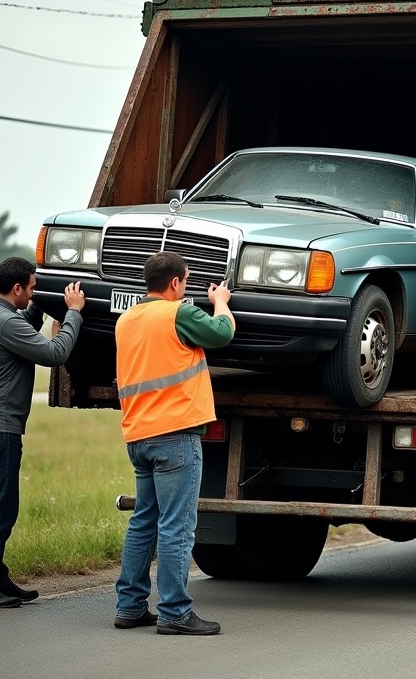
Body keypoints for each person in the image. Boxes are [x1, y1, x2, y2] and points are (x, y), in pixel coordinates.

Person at [113, 251, 235, 636]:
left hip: (139, 434)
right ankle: (175, 611)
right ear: (176, 284)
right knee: (177, 526)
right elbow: (222, 333)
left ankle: (130, 606)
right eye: (186, 281)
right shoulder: (178, 313)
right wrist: (220, 303)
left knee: (144, 521)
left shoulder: (126, 319)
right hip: (176, 435)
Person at [0, 256, 85, 610]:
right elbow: (54, 353)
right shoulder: (5, 323)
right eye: (31, 288)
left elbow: (22, 323)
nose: (32, 293)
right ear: (16, 288)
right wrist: (72, 312)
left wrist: (41, 305)